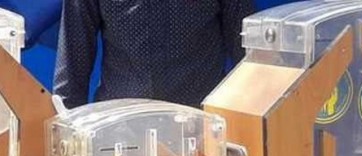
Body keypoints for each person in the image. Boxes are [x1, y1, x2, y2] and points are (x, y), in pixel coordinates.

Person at [53, 0, 255, 109]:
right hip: (120, 130)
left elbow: (249, 57)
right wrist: (65, 133)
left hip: (199, 129)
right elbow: (72, 63)